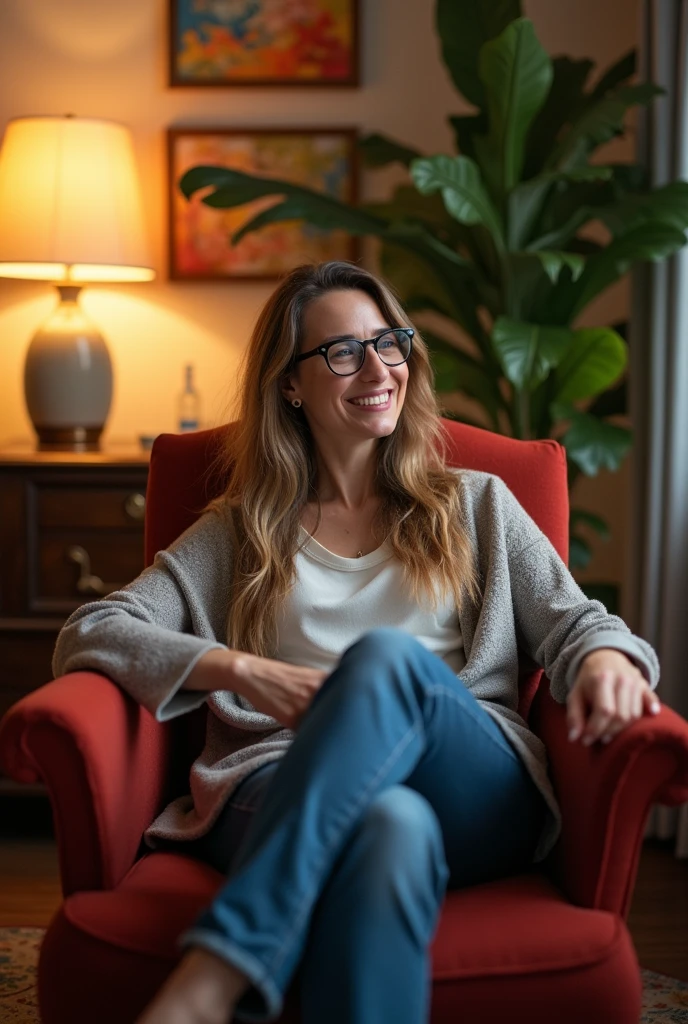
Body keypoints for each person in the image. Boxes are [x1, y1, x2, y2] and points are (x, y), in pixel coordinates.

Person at [52, 260, 661, 1024]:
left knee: (384, 661)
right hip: (279, 780)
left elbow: (579, 621)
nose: (378, 368)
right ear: (290, 385)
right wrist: (247, 673)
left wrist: (606, 657)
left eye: (390, 343)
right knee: (389, 827)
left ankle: (218, 972)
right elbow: (93, 630)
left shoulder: (476, 505)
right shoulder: (239, 532)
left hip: (471, 787)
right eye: (343, 351)